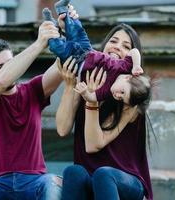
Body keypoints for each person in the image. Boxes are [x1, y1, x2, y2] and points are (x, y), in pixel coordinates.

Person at [0, 11, 78, 199]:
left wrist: (67, 30)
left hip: (34, 181)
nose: (10, 70)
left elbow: (63, 63)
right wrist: (40, 43)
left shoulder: (33, 91)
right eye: (0, 67)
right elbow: (1, 82)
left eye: (11, 63)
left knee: (53, 183)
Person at [56, 22, 153, 200]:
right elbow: (62, 129)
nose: (117, 47)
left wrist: (92, 101)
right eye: (113, 41)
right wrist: (70, 86)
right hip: (90, 176)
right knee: (73, 172)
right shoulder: (85, 79)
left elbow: (93, 145)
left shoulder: (130, 97)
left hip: (125, 180)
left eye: (126, 46)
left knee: (104, 175)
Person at [42, 0, 144, 102]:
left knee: (58, 48)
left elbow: (93, 98)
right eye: (122, 92)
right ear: (128, 78)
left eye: (121, 99)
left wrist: (85, 92)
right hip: (88, 50)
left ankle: (50, 26)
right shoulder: (126, 67)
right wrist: (136, 65)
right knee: (78, 32)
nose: (117, 96)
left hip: (76, 63)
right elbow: (134, 51)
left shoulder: (107, 91)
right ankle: (62, 8)